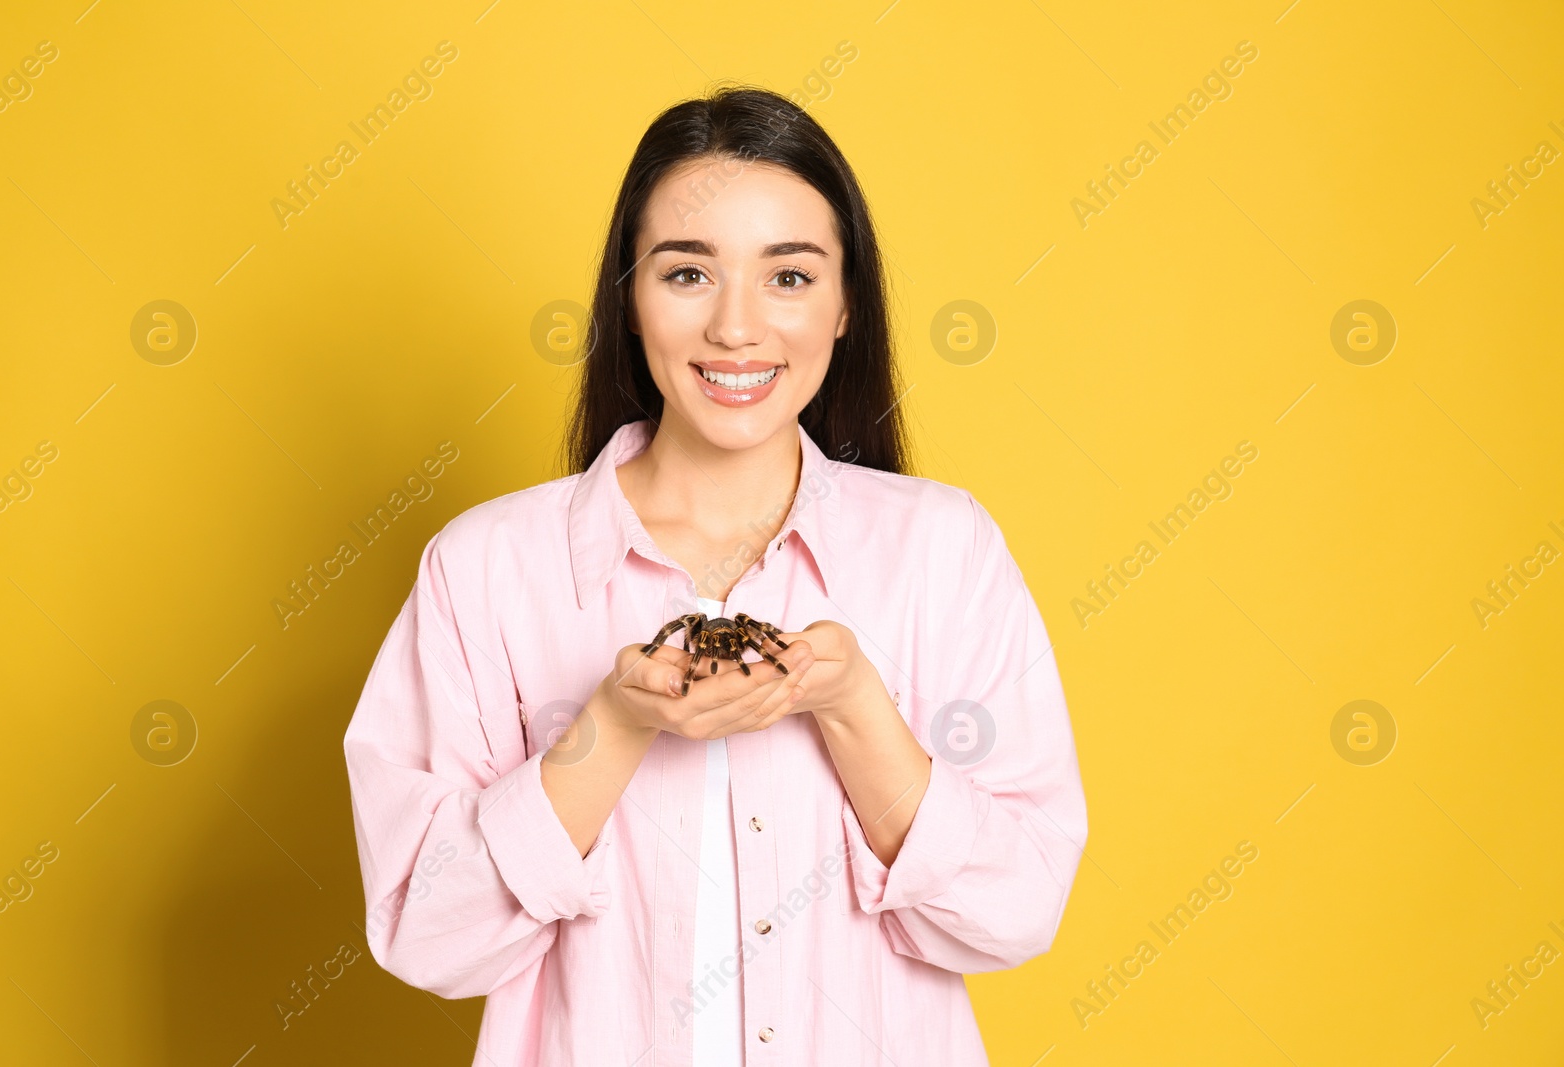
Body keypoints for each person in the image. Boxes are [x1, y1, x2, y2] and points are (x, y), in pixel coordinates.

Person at [343, 84, 1087, 1067]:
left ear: (845, 302)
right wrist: (610, 726)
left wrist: (854, 702)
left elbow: (1018, 908)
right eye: (688, 273)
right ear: (628, 294)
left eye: (788, 277)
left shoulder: (944, 553)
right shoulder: (483, 570)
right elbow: (425, 929)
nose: (738, 329)